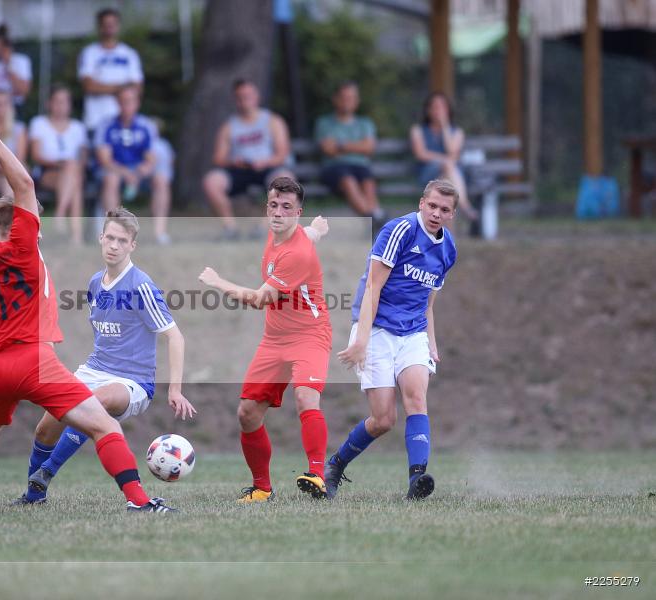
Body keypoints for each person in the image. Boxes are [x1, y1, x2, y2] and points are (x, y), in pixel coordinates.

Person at [0, 113, 175, 517]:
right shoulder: (25, 248)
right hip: (35, 360)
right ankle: (140, 502)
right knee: (106, 427)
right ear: (23, 224)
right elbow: (26, 184)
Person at [15, 207, 196, 505]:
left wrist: (175, 389)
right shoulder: (96, 283)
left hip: (132, 381)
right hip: (94, 369)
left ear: (132, 245)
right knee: (46, 425)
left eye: (122, 241)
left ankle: (47, 471)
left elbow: (174, 336)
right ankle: (34, 494)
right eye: (110, 238)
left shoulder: (141, 286)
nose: (114, 245)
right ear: (100, 238)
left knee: (93, 403)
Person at [198, 177, 332, 502]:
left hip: (310, 336)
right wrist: (318, 229)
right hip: (274, 340)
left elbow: (260, 300)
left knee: (305, 398)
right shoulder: (283, 236)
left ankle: (317, 475)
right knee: (247, 413)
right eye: (273, 205)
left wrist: (218, 282)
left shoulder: (296, 253)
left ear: (297, 212)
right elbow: (309, 235)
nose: (278, 212)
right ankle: (262, 489)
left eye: (287, 207)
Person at [326, 179, 459, 501]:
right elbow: (373, 287)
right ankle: (336, 465)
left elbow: (427, 303)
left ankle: (417, 480)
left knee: (417, 399)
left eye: (444, 210)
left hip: (412, 332)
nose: (436, 214)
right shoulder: (399, 231)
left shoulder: (448, 250)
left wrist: (432, 342)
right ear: (421, 203)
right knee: (384, 418)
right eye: (432, 206)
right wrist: (360, 339)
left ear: (452, 215)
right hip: (377, 329)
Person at [202, 79, 293, 239]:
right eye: (240, 97)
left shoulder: (273, 121)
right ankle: (230, 228)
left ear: (256, 96)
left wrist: (265, 162)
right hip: (239, 169)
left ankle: (264, 228)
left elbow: (282, 154)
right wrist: (233, 162)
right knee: (211, 181)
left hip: (268, 167)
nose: (244, 101)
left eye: (248, 96)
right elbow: (218, 158)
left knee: (286, 181)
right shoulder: (229, 126)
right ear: (235, 100)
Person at [94, 85, 171, 244]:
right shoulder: (106, 125)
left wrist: (139, 173)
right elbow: (104, 159)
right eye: (123, 101)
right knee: (111, 180)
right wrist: (125, 173)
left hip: (138, 171)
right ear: (117, 103)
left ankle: (159, 232)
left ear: (137, 103)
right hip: (115, 170)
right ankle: (112, 233)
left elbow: (151, 158)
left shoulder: (146, 126)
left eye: (130, 101)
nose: (126, 105)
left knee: (161, 180)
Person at [315, 81, 385, 224]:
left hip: (361, 167)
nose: (348, 102)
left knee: (368, 183)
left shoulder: (365, 123)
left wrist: (340, 145)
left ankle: (375, 219)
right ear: (335, 99)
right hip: (334, 168)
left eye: (352, 98)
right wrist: (358, 146)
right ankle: (375, 219)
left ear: (357, 101)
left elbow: (369, 148)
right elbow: (328, 149)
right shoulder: (324, 123)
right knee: (348, 180)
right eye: (344, 97)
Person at [29, 85, 87, 244]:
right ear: (49, 103)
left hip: (73, 172)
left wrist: (71, 167)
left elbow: (83, 157)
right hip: (48, 170)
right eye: (57, 101)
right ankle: (76, 237)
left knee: (74, 175)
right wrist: (60, 163)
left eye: (65, 102)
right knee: (74, 176)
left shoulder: (78, 127)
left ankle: (61, 217)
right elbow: (36, 155)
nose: (61, 106)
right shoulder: (39, 123)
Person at [410, 92, 477, 220]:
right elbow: (421, 154)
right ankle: (465, 205)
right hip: (428, 175)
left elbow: (452, 151)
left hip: (452, 177)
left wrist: (445, 126)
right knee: (448, 167)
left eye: (442, 107)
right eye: (435, 107)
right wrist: (445, 160)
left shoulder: (457, 132)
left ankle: (447, 238)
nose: (438, 111)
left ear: (448, 110)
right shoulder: (417, 130)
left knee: (446, 191)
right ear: (428, 110)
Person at [77, 8, 144, 132]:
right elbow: (89, 86)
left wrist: (103, 86)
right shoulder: (89, 53)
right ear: (99, 27)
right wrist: (122, 88)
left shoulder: (130, 54)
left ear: (118, 26)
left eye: (113, 24)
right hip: (96, 121)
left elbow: (137, 88)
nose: (109, 28)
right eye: (106, 24)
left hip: (124, 123)